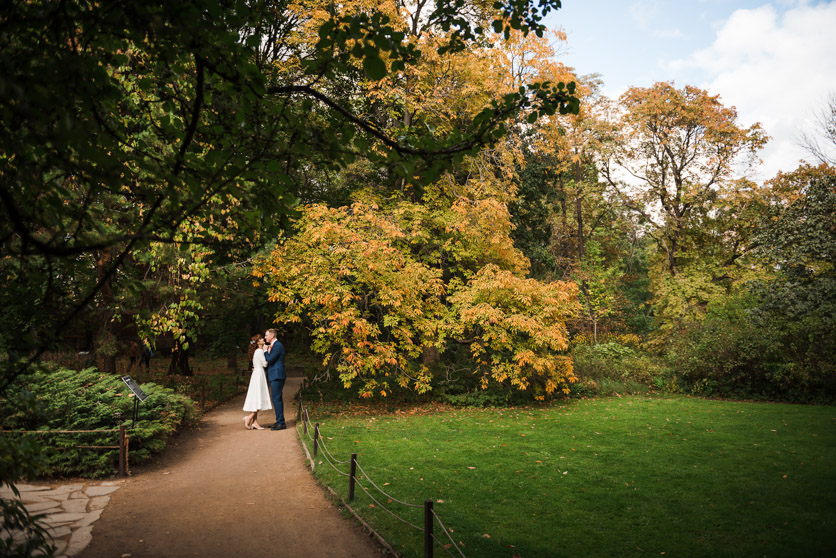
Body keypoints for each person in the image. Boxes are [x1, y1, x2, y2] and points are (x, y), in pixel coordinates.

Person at [242, 336, 272, 430]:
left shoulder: (257, 351)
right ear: (258, 342)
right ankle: (250, 417)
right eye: (261, 339)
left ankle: (255, 422)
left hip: (257, 373)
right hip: (259, 374)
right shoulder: (259, 351)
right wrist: (265, 351)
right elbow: (265, 364)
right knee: (259, 396)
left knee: (257, 397)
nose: (263, 339)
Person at [263, 328, 287, 430]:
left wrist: (265, 352)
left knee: (276, 399)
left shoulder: (277, 346)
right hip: (275, 375)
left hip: (277, 375)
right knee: (276, 398)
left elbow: (270, 360)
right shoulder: (275, 346)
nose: (265, 337)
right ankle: (279, 421)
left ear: (272, 335)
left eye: (266, 335)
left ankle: (281, 423)